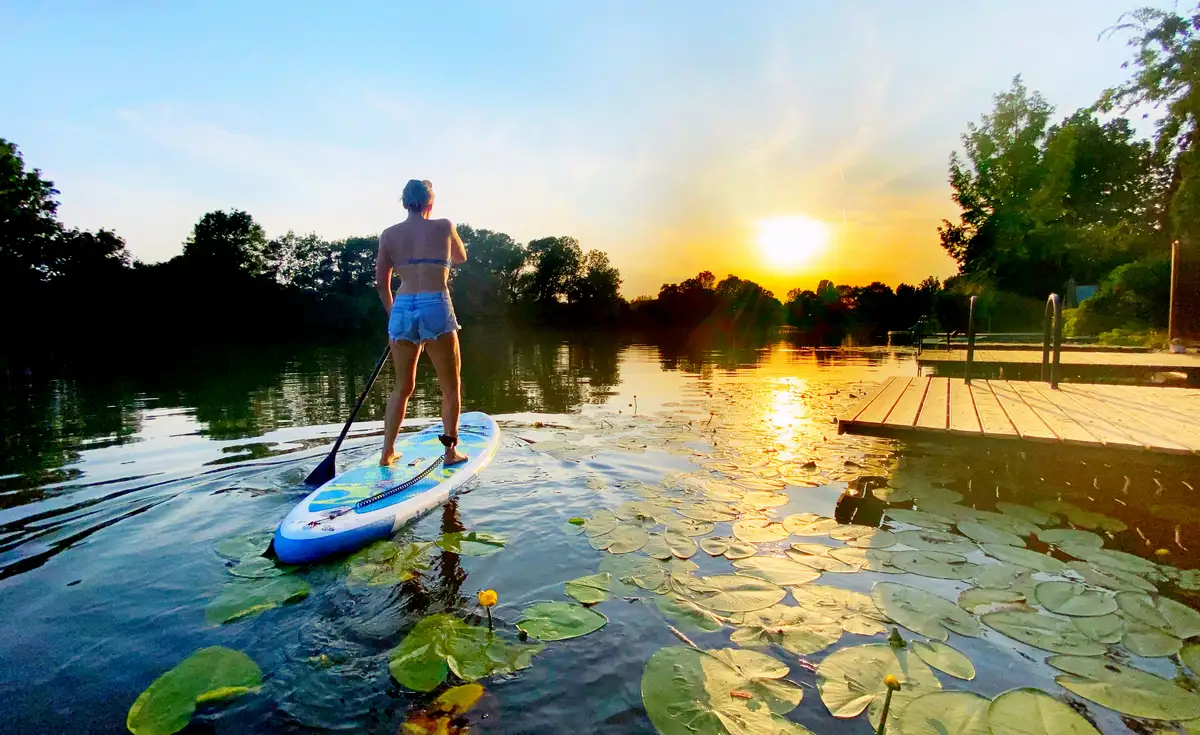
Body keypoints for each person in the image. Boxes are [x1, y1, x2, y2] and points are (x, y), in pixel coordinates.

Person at [375, 179, 469, 467]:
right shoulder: (443, 226)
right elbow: (461, 257)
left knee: (402, 387)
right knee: (450, 386)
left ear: (404, 203)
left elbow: (381, 283)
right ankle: (451, 453)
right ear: (431, 203)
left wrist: (395, 317)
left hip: (403, 305)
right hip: (434, 302)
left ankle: (387, 453)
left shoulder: (389, 234)